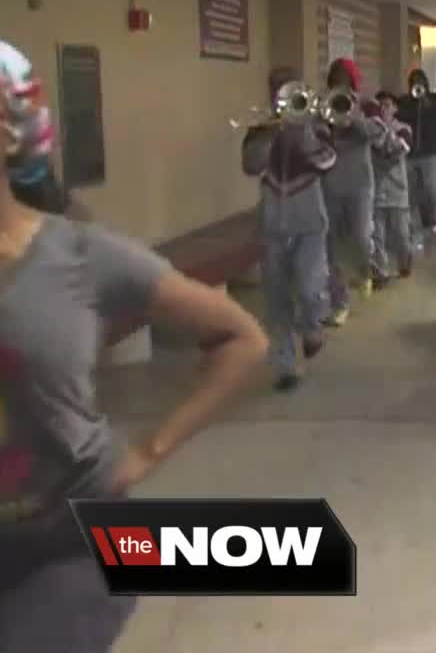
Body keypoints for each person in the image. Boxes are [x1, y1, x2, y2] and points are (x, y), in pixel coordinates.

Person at [0, 39, 268, 652]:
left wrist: (150, 449)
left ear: (13, 133)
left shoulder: (80, 255)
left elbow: (242, 337)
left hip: (73, 537)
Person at [241, 70, 336, 391]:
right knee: (276, 297)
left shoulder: (317, 126)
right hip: (272, 222)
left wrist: (303, 133)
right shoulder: (261, 129)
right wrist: (271, 133)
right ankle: (285, 366)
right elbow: (251, 166)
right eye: (276, 90)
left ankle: (312, 328)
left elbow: (326, 162)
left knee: (310, 288)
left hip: (309, 220)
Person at [320, 58, 387, 327]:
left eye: (345, 80)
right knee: (331, 246)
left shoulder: (367, 106)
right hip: (330, 184)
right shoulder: (322, 107)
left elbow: (378, 133)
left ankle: (364, 270)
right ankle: (340, 302)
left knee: (361, 237)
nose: (340, 85)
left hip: (360, 183)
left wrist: (354, 118)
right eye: (336, 80)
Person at [396, 69, 436, 235]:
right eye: (414, 82)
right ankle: (410, 223)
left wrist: (427, 103)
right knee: (409, 190)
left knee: (432, 189)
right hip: (410, 153)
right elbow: (400, 118)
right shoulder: (404, 101)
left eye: (420, 82)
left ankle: (432, 218)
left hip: (431, 150)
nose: (417, 86)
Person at [370, 91, 415, 286]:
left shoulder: (404, 129)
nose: (383, 109)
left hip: (397, 189)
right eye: (380, 105)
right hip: (376, 189)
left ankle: (405, 262)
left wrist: (383, 131)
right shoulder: (370, 129)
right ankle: (381, 272)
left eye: (387, 105)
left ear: (395, 108)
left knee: (401, 235)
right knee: (377, 235)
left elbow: (397, 151)